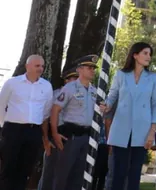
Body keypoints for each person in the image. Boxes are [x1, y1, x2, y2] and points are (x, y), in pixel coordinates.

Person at [104, 41, 156, 190]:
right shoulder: (121, 74)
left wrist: (152, 130)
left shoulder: (153, 77)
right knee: (118, 173)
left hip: (143, 130)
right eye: (145, 53)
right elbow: (112, 95)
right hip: (120, 128)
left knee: (135, 174)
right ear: (135, 55)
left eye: (150, 54)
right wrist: (107, 105)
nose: (149, 57)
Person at [0, 55, 54, 190]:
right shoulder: (12, 83)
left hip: (33, 131)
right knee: (8, 167)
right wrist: (4, 126)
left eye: (42, 66)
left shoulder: (46, 86)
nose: (40, 69)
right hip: (13, 130)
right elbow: (1, 105)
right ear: (27, 66)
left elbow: (46, 111)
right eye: (37, 66)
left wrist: (43, 135)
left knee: (25, 169)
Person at [50, 55, 101, 190]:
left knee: (79, 176)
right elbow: (55, 110)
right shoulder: (70, 88)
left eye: (93, 68)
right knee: (63, 175)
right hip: (71, 136)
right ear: (80, 70)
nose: (93, 70)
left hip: (87, 137)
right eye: (89, 68)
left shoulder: (95, 91)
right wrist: (54, 133)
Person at [39, 66, 78, 190]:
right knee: (50, 174)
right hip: (56, 135)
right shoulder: (55, 94)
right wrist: (47, 138)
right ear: (66, 80)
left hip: (73, 137)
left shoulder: (80, 96)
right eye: (74, 78)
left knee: (67, 175)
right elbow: (46, 117)